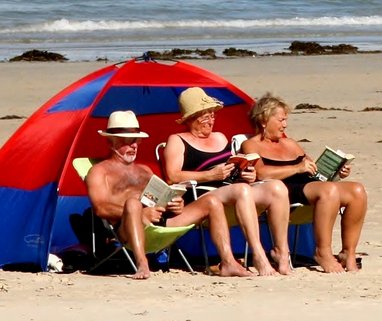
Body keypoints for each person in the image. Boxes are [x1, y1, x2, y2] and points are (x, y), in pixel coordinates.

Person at [83, 110, 254, 279]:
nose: (134, 145)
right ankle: (142, 263)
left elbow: (163, 196)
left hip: (161, 221)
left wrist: (174, 203)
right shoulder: (99, 172)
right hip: (127, 227)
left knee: (212, 201)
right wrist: (139, 213)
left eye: (136, 140)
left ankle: (228, 262)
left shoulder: (144, 170)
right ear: (110, 141)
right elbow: (100, 208)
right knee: (133, 204)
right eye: (127, 141)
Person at [162, 88, 290, 275]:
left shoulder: (220, 137)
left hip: (231, 188)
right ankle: (259, 255)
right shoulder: (178, 140)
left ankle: (282, 253)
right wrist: (210, 175)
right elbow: (172, 176)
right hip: (203, 196)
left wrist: (247, 172)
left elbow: (232, 169)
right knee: (241, 191)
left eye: (212, 116)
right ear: (191, 118)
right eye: (204, 117)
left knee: (276, 188)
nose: (210, 121)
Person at [246, 93, 368, 273]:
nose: (284, 125)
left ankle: (348, 253)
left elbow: (313, 168)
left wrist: (337, 171)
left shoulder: (290, 143)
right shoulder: (251, 144)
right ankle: (322, 252)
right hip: (284, 189)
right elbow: (261, 173)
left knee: (357, 190)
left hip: (309, 184)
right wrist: (297, 169)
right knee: (328, 191)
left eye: (286, 120)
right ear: (264, 120)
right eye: (280, 120)